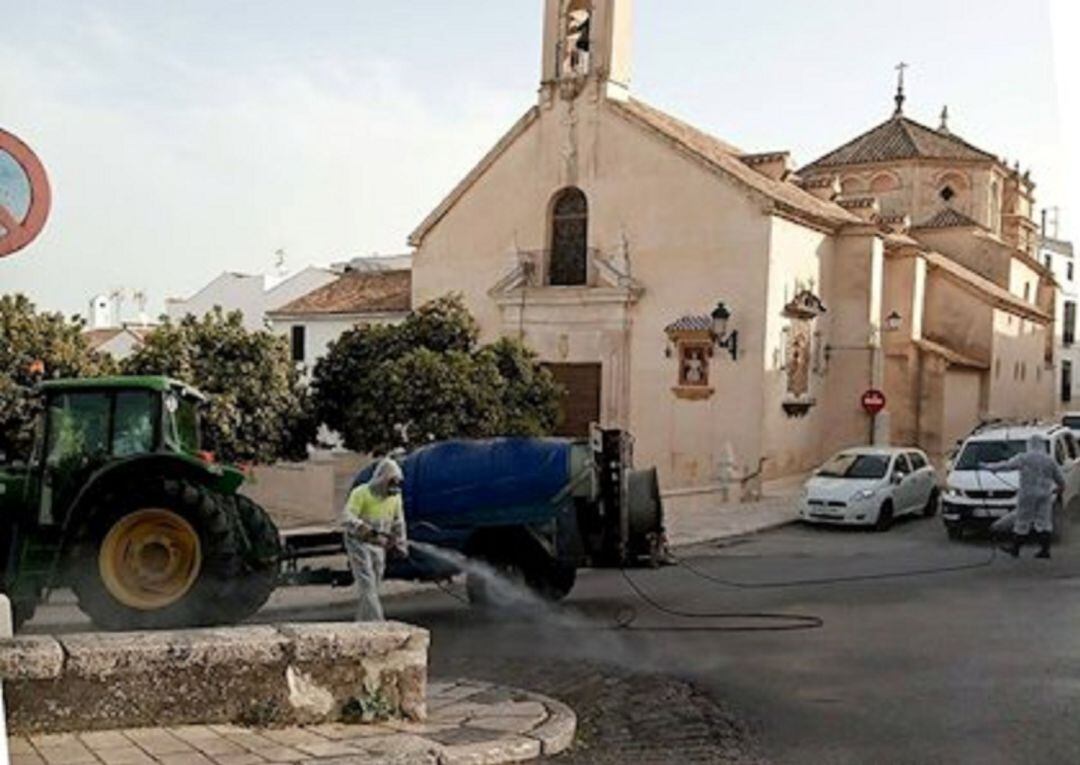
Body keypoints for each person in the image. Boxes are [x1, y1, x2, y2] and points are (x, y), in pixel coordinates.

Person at [341, 457, 407, 621]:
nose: (395, 487)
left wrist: (401, 545)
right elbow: (347, 517)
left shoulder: (394, 498)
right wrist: (362, 527)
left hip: (378, 545)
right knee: (367, 584)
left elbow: (399, 523)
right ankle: (379, 623)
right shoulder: (362, 493)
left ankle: (362, 624)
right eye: (392, 482)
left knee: (373, 588)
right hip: (358, 543)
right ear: (382, 478)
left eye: (397, 483)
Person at [983, 436, 1065, 559]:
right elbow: (1060, 478)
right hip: (1045, 494)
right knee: (1044, 522)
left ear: (1029, 445)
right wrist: (1060, 488)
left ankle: (1015, 549)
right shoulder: (1049, 460)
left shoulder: (1024, 457)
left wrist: (989, 467)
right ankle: (1045, 550)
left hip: (1027, 494)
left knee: (1022, 520)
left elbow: (1007, 465)